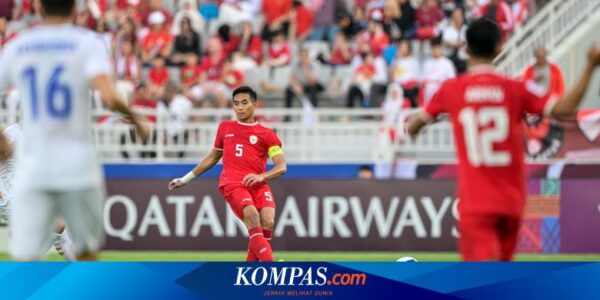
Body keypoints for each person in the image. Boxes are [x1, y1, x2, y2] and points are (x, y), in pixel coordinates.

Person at [407, 19, 600, 261]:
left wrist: (416, 126)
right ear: (499, 49)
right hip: (511, 201)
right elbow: (564, 109)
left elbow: (414, 125)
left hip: (475, 202)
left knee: (482, 281)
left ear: (465, 49)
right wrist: (590, 67)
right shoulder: (516, 89)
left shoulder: (451, 90)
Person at [0, 0, 148, 261]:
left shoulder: (19, 46)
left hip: (36, 168)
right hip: (78, 161)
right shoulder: (87, 42)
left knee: (31, 253)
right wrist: (136, 120)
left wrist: (2, 140)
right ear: (76, 11)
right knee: (86, 250)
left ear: (38, 8)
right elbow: (108, 94)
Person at [169, 86, 287, 262]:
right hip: (232, 183)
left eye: (244, 103)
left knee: (268, 221)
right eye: (236, 103)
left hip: (257, 183)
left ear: (254, 104)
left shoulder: (267, 134)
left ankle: (251, 274)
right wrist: (186, 179)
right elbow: (213, 157)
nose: (239, 107)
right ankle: (270, 268)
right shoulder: (225, 127)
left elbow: (281, 167)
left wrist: (262, 176)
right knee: (252, 216)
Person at [0, 124, 75, 260]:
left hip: (20, 194)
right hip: (5, 198)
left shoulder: (37, 136)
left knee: (58, 229)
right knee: (55, 227)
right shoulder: (12, 134)